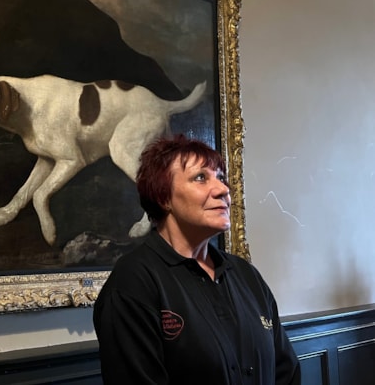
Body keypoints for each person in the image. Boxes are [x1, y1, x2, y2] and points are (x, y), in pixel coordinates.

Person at [93, 135, 300, 384]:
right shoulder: (133, 284)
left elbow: (286, 373)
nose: (223, 189)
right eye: (201, 177)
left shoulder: (246, 275)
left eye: (221, 177)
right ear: (164, 198)